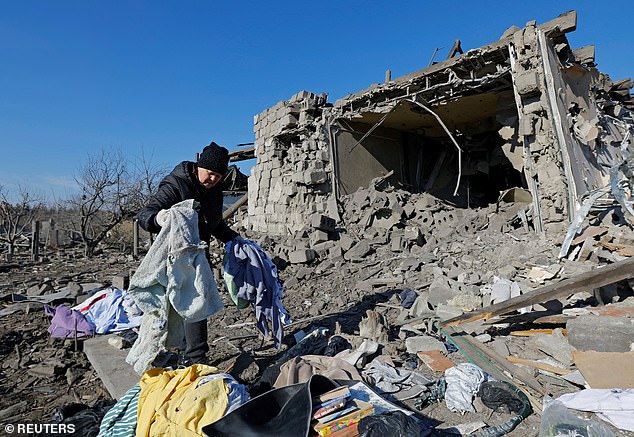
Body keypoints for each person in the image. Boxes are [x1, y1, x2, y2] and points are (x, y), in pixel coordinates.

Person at [138, 141, 240, 365]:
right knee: (180, 308)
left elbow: (214, 224)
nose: (212, 179)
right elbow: (145, 214)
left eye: (218, 176)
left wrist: (236, 240)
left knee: (194, 306)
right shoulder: (177, 184)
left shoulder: (215, 192)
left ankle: (192, 358)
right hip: (173, 258)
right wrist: (160, 218)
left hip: (196, 257)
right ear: (198, 166)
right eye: (209, 173)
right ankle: (190, 359)